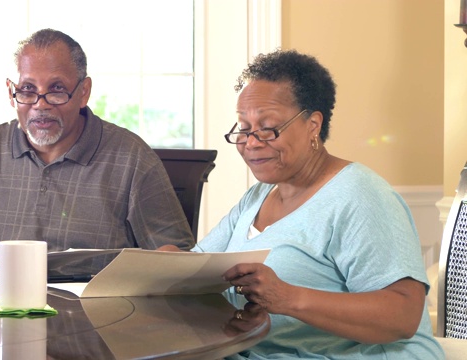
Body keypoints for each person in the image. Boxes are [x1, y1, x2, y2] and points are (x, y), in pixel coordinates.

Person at [161, 49, 443, 358]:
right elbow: (201, 270)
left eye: (268, 128)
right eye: (243, 129)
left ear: (312, 125)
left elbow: (402, 315)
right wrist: (171, 266)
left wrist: (287, 298)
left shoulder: (360, 195)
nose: (252, 142)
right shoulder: (256, 198)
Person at [0, 28, 194, 276]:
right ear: (11, 92)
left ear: (84, 91)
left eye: (56, 89)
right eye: (28, 89)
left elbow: (178, 259)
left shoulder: (132, 158)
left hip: (99, 328)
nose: (40, 104)